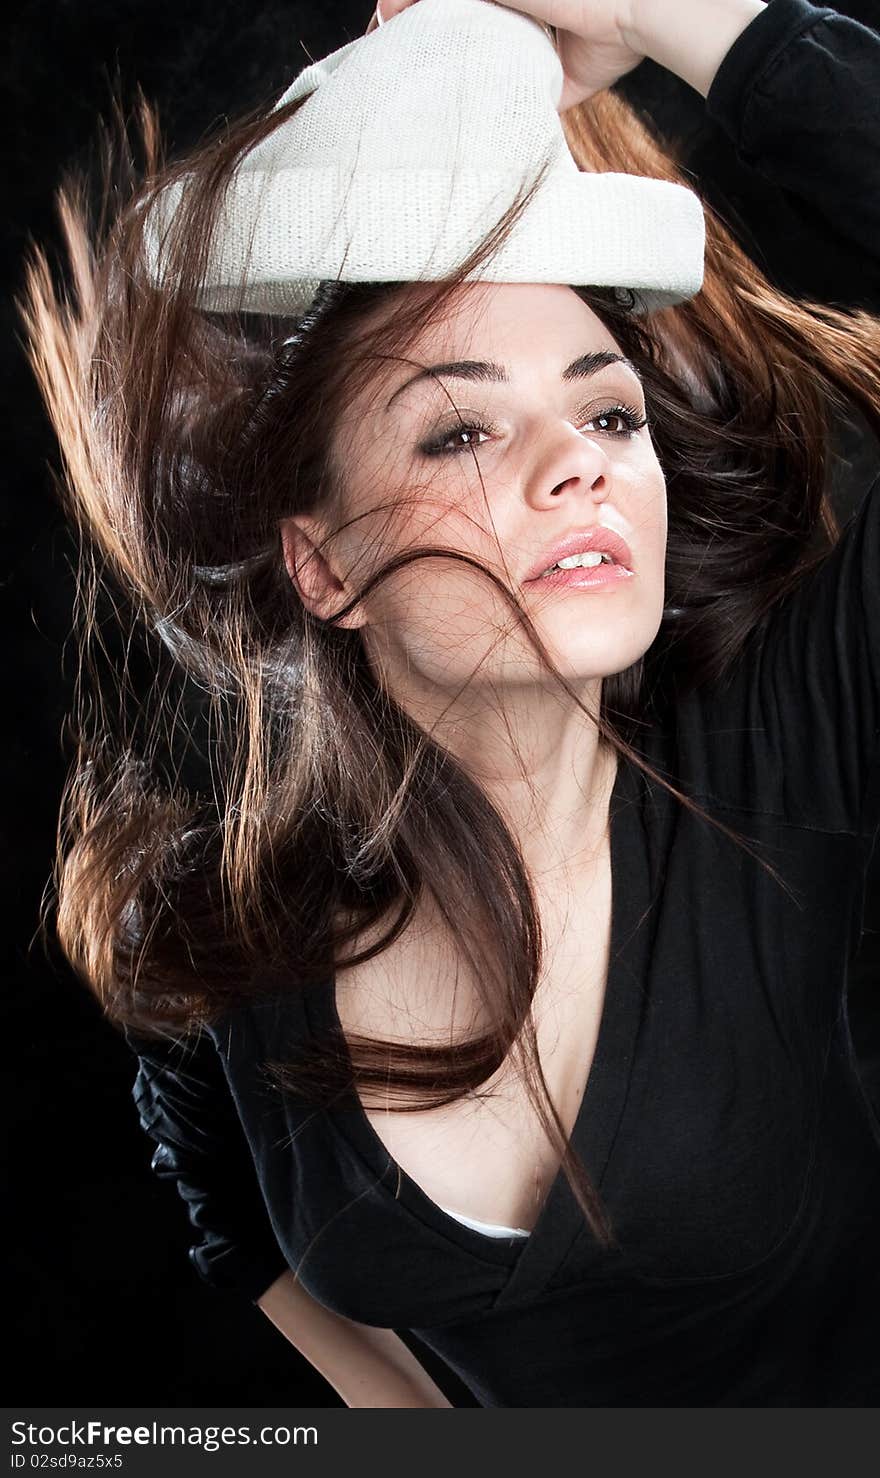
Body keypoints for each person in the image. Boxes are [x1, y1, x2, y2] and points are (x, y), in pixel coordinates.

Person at [19, 0, 880, 1407]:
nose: (577, 464)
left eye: (608, 412)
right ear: (325, 560)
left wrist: (663, 16)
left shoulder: (799, 745)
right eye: (462, 426)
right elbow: (229, 1216)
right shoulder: (233, 933)